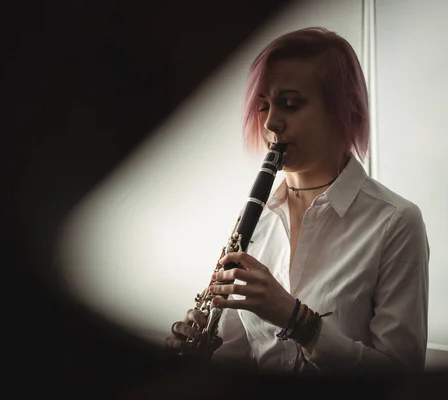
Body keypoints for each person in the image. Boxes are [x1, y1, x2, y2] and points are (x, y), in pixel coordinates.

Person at [165, 27, 429, 374]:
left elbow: (401, 378)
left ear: (343, 109)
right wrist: (199, 352)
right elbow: (238, 357)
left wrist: (298, 321)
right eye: (263, 106)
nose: (271, 122)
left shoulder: (396, 222)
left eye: (290, 103)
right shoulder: (253, 222)